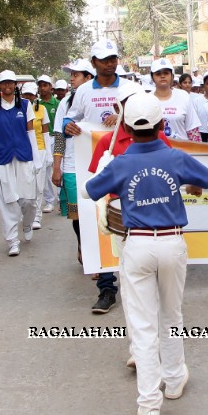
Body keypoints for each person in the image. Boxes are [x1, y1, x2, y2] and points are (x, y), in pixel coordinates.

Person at [85, 93, 208, 415]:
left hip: (138, 246)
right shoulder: (175, 157)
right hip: (172, 242)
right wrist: (188, 182)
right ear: (162, 125)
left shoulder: (121, 162)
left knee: (143, 328)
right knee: (171, 315)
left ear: (128, 126)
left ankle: (149, 406)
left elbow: (89, 190)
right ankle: (174, 381)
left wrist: (106, 168)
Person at [65, 39, 127, 313]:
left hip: (128, 163)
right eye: (103, 59)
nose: (110, 63)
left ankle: (139, 284)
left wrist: (123, 116)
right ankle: (106, 288)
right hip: (95, 164)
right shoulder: (82, 93)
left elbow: (148, 118)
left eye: (113, 58)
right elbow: (69, 119)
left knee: (129, 221)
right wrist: (70, 127)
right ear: (94, 63)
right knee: (97, 220)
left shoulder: (131, 88)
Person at [0, 70, 42, 257]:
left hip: (24, 156)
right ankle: (12, 241)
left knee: (29, 200)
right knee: (8, 201)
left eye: (10, 83)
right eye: (3, 83)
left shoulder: (25, 105)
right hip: (4, 158)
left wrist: (37, 158)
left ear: (15, 85)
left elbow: (31, 133)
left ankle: (27, 223)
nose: (7, 86)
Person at [52, 59, 94, 262]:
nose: (71, 78)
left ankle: (96, 252)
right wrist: (57, 167)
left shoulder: (98, 100)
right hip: (71, 165)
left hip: (96, 163)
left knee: (96, 210)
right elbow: (59, 136)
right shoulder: (64, 103)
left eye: (76, 75)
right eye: (71, 74)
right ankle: (83, 244)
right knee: (77, 213)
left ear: (88, 78)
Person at [21, 81, 53, 229]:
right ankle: (26, 214)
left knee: (39, 186)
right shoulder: (17, 109)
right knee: (25, 186)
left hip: (40, 150)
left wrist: (49, 154)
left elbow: (45, 132)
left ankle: (37, 217)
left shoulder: (41, 110)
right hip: (23, 152)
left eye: (31, 94)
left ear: (35, 95)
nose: (28, 97)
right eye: (25, 94)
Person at [150, 58, 201, 142]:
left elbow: (193, 130)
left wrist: (197, 152)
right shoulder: (146, 99)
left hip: (182, 151)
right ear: (152, 77)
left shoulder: (183, 96)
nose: (162, 76)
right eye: (158, 73)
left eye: (166, 73)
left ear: (172, 76)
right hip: (156, 152)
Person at [36, 75, 60, 214]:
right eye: (40, 85)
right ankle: (49, 200)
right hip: (43, 141)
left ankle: (61, 199)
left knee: (58, 169)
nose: (43, 88)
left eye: (45, 85)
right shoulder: (37, 105)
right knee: (45, 172)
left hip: (56, 138)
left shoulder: (57, 104)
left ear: (51, 87)